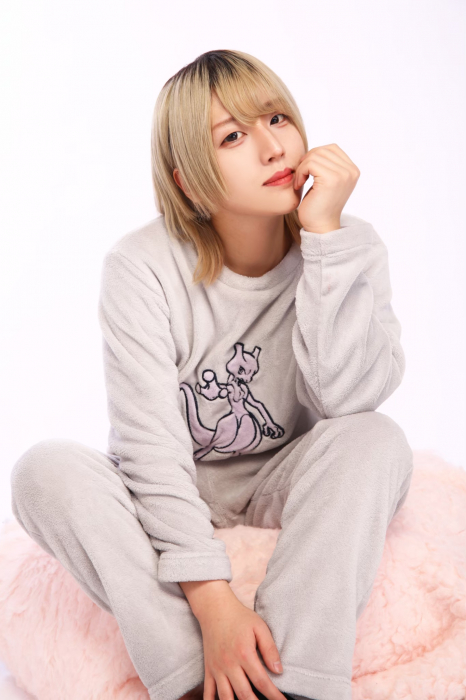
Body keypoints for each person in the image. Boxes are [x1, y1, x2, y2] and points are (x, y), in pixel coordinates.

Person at [10, 49, 413, 700]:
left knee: (377, 437)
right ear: (190, 183)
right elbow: (149, 447)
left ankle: (294, 680)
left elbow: (348, 399)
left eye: (277, 118)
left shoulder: (347, 244)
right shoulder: (141, 267)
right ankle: (192, 680)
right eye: (232, 137)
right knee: (42, 470)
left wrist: (324, 241)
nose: (273, 147)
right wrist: (212, 600)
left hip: (284, 476)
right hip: (174, 485)